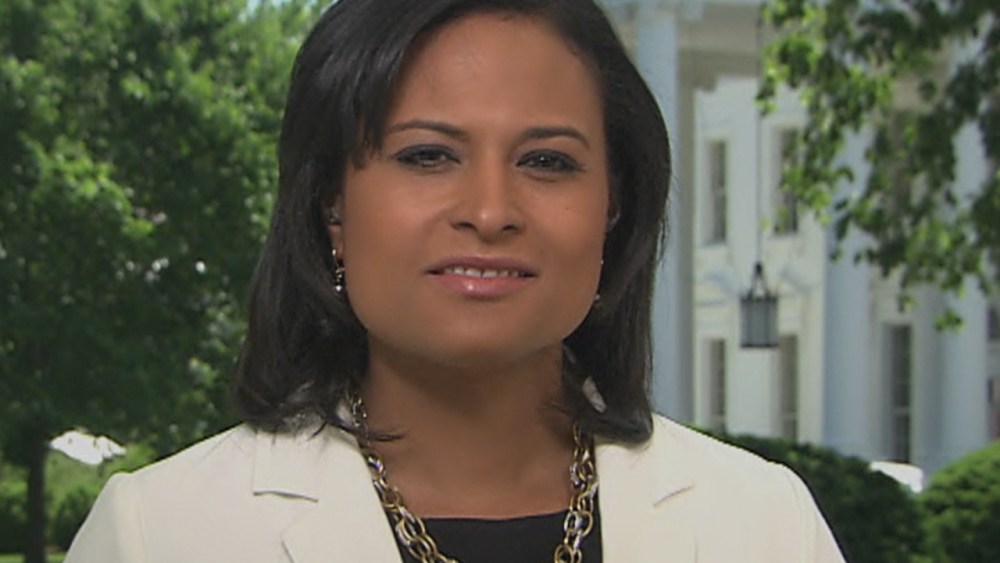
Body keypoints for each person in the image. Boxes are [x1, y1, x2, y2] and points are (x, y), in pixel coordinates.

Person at [66, 0, 846, 561]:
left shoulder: (766, 526)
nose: (490, 210)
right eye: (427, 156)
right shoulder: (161, 533)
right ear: (331, 203)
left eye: (548, 161)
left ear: (614, 207)